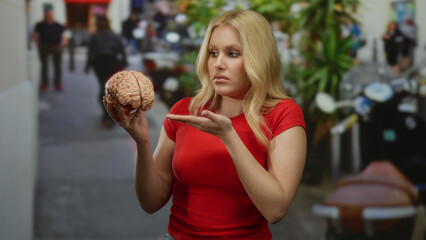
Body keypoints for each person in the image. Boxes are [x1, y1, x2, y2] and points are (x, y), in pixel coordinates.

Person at [104, 10, 306, 239]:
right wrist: (141, 141)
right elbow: (151, 202)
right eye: (212, 53)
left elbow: (275, 210)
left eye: (232, 53)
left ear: (258, 58)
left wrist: (229, 137)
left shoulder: (282, 113)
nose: (218, 64)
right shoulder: (184, 110)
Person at [86, 16, 127, 129]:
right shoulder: (109, 35)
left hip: (106, 63)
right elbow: (121, 50)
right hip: (106, 63)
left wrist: (88, 65)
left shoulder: (106, 36)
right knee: (106, 89)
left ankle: (108, 115)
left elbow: (91, 52)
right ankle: (109, 115)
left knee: (105, 89)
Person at [33, 8, 66, 91]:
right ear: (45, 15)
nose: (49, 15)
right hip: (44, 47)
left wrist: (62, 43)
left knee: (57, 66)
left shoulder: (58, 25)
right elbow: (35, 34)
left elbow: (63, 35)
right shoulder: (40, 25)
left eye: (51, 14)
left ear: (53, 15)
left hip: (56, 47)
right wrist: (37, 43)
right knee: (44, 66)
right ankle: (44, 83)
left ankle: (58, 84)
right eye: (48, 14)